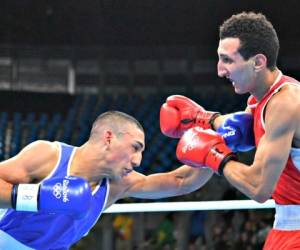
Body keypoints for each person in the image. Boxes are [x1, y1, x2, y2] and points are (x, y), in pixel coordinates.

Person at [160, 12, 300, 249]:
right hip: (286, 226)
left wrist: (217, 157)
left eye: (227, 60)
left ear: (258, 62)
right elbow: (235, 127)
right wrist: (204, 119)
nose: (220, 71)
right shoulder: (259, 102)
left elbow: (259, 188)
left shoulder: (285, 103)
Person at [0, 110, 217, 250]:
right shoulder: (49, 156)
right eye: (135, 148)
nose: (138, 161)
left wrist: (217, 150)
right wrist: (38, 197)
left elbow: (181, 181)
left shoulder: (118, 184)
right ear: (109, 137)